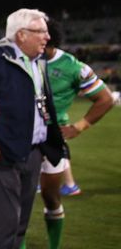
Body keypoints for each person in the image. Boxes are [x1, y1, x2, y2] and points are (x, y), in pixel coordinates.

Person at [0, 8, 64, 249]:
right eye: (41, 32)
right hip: (3, 155)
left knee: (19, 227)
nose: (47, 37)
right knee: (4, 227)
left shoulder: (38, 61)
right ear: (21, 35)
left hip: (33, 153)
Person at [37, 18, 114, 249]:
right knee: (16, 197)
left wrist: (79, 126)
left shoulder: (74, 67)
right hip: (21, 136)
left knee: (51, 197)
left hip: (52, 139)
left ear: (47, 39)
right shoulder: (20, 61)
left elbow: (105, 99)